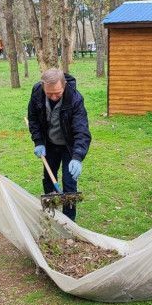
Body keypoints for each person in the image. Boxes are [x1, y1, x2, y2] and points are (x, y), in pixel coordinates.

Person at [28, 68, 91, 221]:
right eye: (49, 94)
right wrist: (38, 141)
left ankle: (69, 223)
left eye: (58, 93)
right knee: (49, 180)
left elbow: (81, 131)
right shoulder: (37, 92)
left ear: (64, 86)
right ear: (43, 87)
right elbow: (33, 118)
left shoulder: (75, 99)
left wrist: (77, 156)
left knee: (69, 185)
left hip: (69, 146)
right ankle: (51, 217)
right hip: (49, 144)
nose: (54, 97)